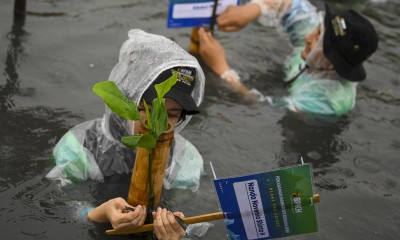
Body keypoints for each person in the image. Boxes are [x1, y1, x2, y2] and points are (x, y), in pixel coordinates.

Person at [46, 29, 206, 239]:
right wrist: (95, 214)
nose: (158, 124)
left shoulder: (185, 159)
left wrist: (177, 232)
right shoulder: (81, 145)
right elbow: (56, 200)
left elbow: (190, 212)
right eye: (148, 109)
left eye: (172, 114)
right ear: (125, 100)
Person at [198, 0, 379, 116]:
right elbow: (292, 5)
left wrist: (223, 70)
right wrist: (254, 9)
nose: (308, 37)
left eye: (318, 40)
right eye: (318, 30)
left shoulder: (325, 102)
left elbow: (266, 108)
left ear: (333, 61)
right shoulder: (315, 51)